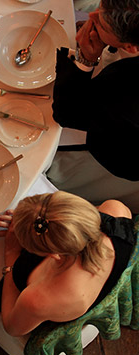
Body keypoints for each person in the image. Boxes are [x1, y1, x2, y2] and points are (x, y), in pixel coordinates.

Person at [0, 191, 136, 336]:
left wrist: (11, 254)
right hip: (93, 265)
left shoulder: (40, 298)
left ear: (52, 254)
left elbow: (11, 327)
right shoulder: (115, 210)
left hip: (32, 300)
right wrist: (38, 222)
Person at [46, 0, 139, 213]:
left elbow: (67, 113)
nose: (91, 17)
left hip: (122, 148)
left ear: (130, 47)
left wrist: (86, 59)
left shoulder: (124, 91)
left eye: (102, 25)